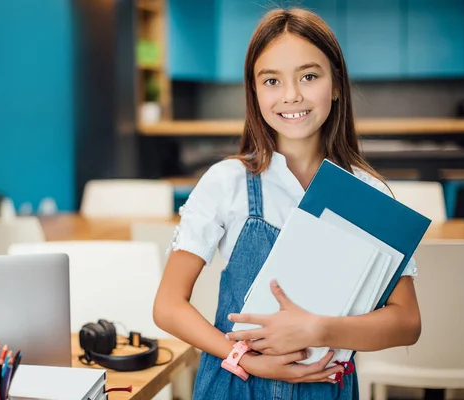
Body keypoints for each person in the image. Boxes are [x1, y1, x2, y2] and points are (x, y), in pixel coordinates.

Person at [153, 7, 421, 400]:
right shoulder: (227, 182)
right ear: (255, 90)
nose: (291, 94)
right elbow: (168, 305)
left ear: (335, 86)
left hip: (327, 389)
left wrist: (319, 329)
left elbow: (407, 322)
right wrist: (243, 356)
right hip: (234, 384)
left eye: (309, 76)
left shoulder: (368, 193)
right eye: (272, 80)